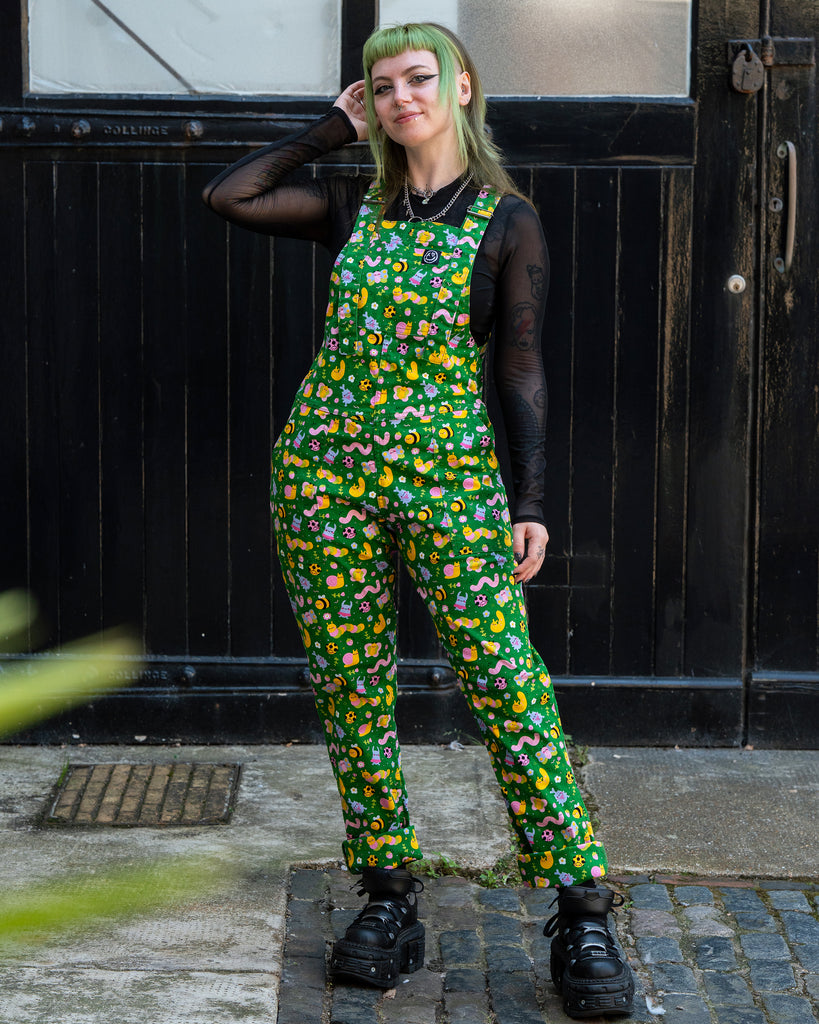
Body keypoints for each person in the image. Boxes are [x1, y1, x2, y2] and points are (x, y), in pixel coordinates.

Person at [203, 21, 634, 1019]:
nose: (401, 98)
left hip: (449, 480)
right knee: (350, 681)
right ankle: (388, 891)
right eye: (382, 86)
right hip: (323, 475)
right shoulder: (354, 206)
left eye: (417, 79)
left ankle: (581, 906)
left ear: (462, 87)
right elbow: (231, 194)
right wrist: (329, 129)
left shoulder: (506, 221)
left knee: (503, 677)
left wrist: (529, 502)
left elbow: (519, 367)